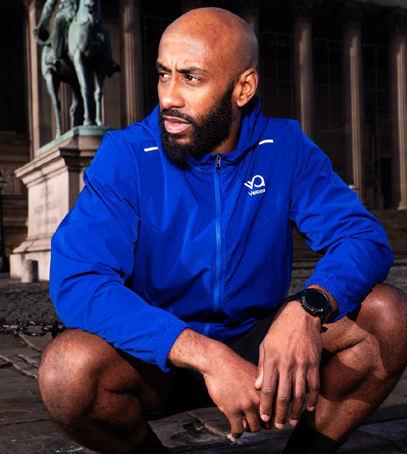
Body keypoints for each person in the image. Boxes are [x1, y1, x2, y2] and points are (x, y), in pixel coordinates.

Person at [39, 7, 407, 454]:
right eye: (163, 74)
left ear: (243, 88)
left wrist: (307, 310)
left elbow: (362, 237)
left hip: (258, 342)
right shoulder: (127, 155)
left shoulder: (284, 147)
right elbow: (79, 278)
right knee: (67, 371)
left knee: (387, 318)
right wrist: (207, 356)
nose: (169, 97)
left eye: (191, 78)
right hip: (159, 354)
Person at [35, 0, 78, 69]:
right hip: (66, 13)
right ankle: (56, 55)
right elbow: (49, 5)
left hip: (81, 11)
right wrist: (43, 21)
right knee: (59, 20)